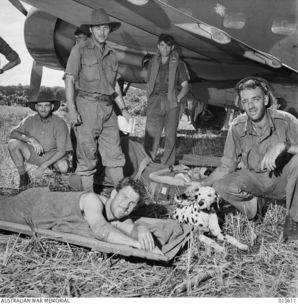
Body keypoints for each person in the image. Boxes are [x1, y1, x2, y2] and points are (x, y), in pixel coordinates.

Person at [185, 77, 298, 242]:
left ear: (266, 100)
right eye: (245, 101)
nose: (251, 106)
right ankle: (254, 208)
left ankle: (294, 221)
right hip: (255, 179)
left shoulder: (286, 120)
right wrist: (202, 184)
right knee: (221, 185)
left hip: (284, 180)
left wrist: (284, 146)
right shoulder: (237, 126)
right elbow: (226, 166)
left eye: (256, 99)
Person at [0, 178, 189, 256]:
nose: (126, 205)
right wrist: (137, 244)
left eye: (132, 204)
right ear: (113, 195)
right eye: (124, 198)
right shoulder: (93, 200)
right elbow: (101, 229)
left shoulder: (118, 216)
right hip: (29, 205)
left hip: (36, 210)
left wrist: (142, 230)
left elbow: (131, 227)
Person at [64, 8, 131, 191]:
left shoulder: (112, 54)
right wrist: (71, 108)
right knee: (87, 156)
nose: (102, 32)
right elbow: (69, 78)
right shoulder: (79, 50)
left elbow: (114, 85)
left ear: (110, 30)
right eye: (98, 28)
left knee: (115, 155)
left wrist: (123, 110)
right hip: (86, 106)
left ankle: (122, 196)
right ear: (91, 30)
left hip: (108, 109)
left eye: (106, 28)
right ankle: (88, 199)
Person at [8, 88, 72, 188]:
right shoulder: (30, 119)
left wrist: (43, 166)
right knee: (13, 143)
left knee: (63, 167)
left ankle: (55, 177)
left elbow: (62, 151)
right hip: (35, 154)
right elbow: (13, 133)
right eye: (40, 105)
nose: (43, 109)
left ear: (51, 107)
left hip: (54, 156)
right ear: (36, 107)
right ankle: (23, 176)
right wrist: (30, 139)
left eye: (46, 105)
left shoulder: (60, 123)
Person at [144, 33, 190, 166]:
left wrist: (177, 99)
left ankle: (167, 166)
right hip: (155, 101)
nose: (164, 49)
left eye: (167, 46)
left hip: (171, 102)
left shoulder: (179, 64)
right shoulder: (152, 63)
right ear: (158, 46)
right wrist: (150, 100)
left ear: (172, 47)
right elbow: (148, 84)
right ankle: (147, 165)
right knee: (151, 136)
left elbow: (185, 86)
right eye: (162, 45)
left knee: (170, 137)